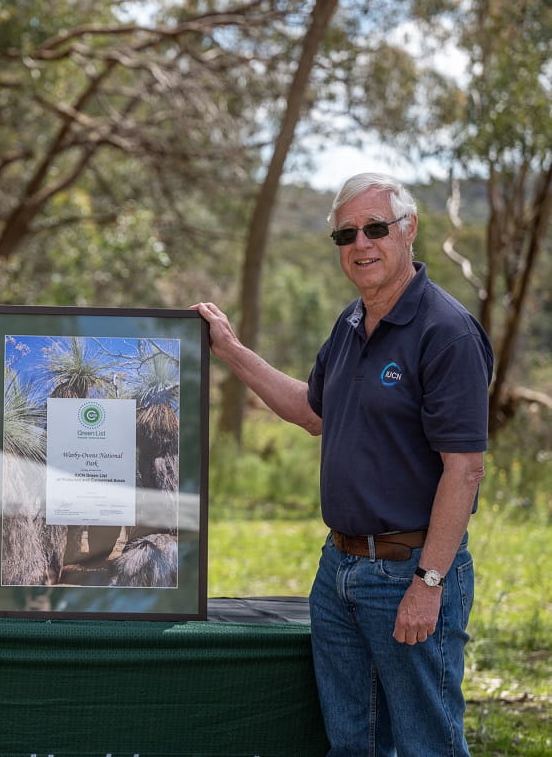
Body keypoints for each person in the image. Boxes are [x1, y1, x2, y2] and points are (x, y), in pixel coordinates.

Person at [193, 172, 493, 757]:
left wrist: (428, 584)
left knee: (427, 744)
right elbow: (312, 412)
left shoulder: (446, 332)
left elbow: (465, 470)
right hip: (340, 571)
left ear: (409, 229)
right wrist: (230, 350)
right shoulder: (352, 322)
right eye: (345, 234)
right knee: (354, 744)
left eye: (375, 229)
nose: (361, 244)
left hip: (409, 572)